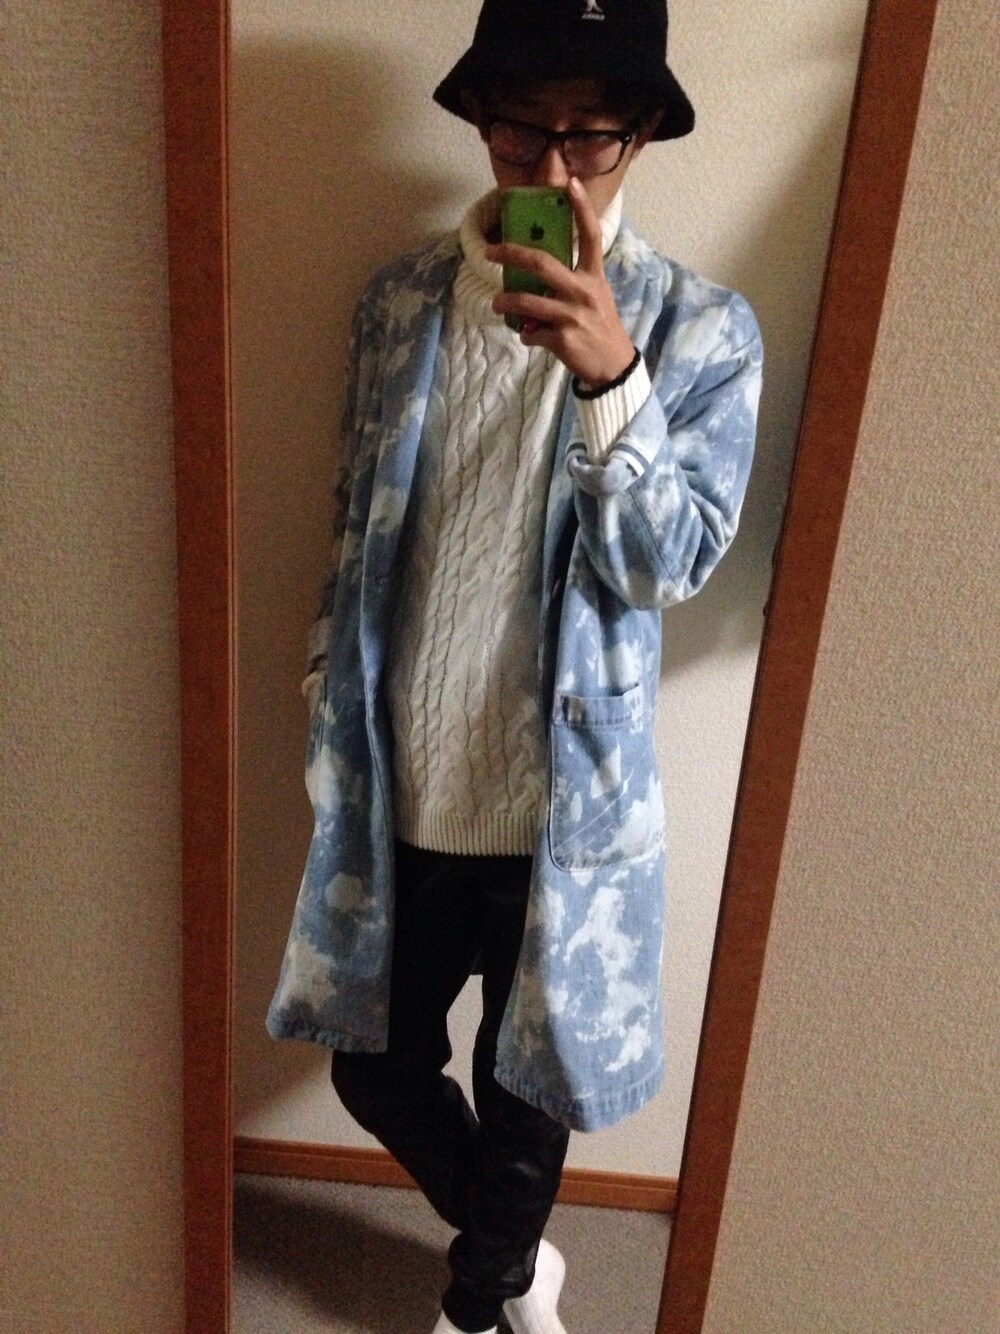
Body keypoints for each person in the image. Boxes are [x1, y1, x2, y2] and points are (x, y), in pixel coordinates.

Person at [266, 2, 763, 1331]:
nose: (551, 168)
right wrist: (324, 684)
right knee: (373, 1062)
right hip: (401, 777)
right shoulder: (399, 304)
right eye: (520, 128)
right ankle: (520, 1256)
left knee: (526, 1084)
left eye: (590, 135)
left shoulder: (704, 331)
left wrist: (613, 380)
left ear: (640, 133)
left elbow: (669, 564)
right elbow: (355, 523)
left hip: (562, 802)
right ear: (479, 119)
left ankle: (481, 1299)